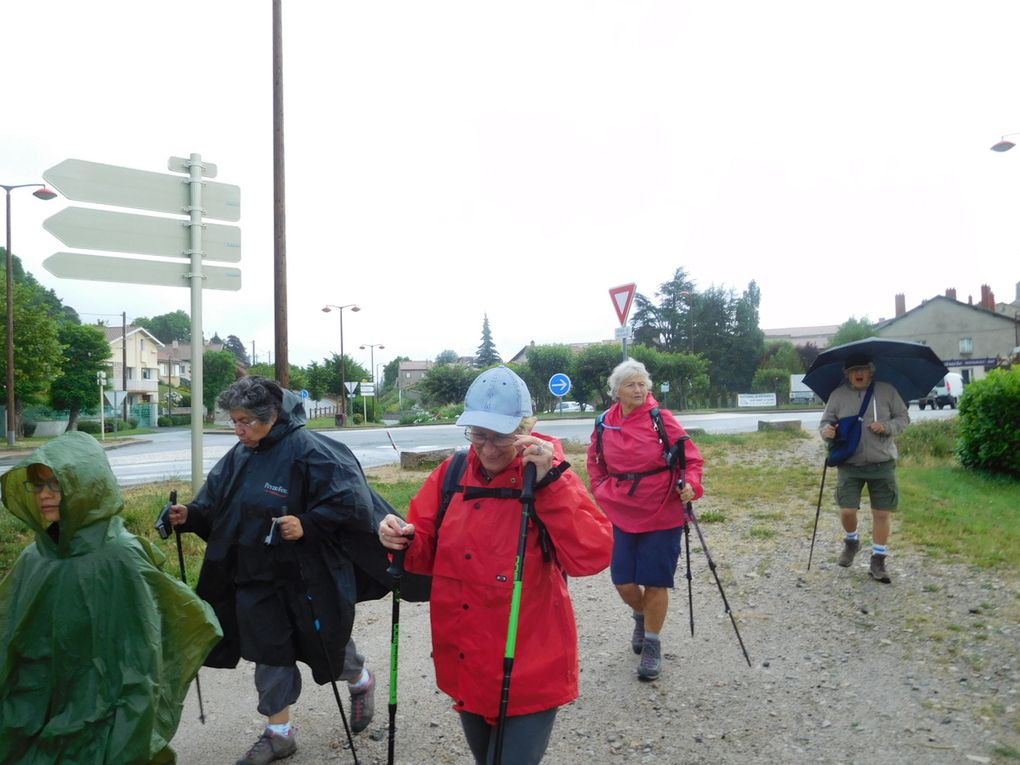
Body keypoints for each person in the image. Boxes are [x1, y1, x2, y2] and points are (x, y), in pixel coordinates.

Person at [378, 365, 613, 765]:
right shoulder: (451, 474)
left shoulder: (548, 475)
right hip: (466, 659)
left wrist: (550, 484)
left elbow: (592, 555)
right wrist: (399, 539)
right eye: (479, 435)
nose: (487, 449)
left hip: (529, 663)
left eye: (502, 437)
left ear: (526, 429)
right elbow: (424, 553)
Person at [168, 376, 380, 765]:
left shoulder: (311, 450)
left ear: (273, 416)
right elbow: (216, 505)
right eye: (234, 421)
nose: (238, 430)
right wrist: (191, 515)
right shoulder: (240, 455)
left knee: (324, 646)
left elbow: (353, 506)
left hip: (307, 576)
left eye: (245, 421)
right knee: (270, 652)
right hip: (255, 576)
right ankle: (279, 732)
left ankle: (360, 680)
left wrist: (307, 523)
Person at [0, 431, 222, 764]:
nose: (44, 495)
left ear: (86, 485)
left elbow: (141, 652)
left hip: (104, 699)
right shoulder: (35, 557)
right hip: (39, 695)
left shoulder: (121, 555)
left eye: (56, 484)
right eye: (37, 485)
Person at [586, 359, 704, 681]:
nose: (638, 390)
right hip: (621, 510)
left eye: (642, 384)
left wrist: (691, 484)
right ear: (617, 391)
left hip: (662, 507)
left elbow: (690, 458)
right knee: (623, 580)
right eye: (631, 385)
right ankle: (641, 615)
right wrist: (599, 489)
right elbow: (595, 461)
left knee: (655, 580)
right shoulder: (603, 423)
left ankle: (652, 643)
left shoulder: (660, 419)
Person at [819, 352, 909, 584]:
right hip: (850, 463)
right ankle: (852, 540)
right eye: (853, 370)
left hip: (882, 462)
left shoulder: (887, 391)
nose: (857, 373)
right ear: (847, 374)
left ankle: (878, 559)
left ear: (871, 370)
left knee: (881, 513)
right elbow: (825, 423)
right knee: (847, 510)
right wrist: (827, 432)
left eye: (862, 369)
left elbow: (903, 419)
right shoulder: (837, 396)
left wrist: (887, 426)